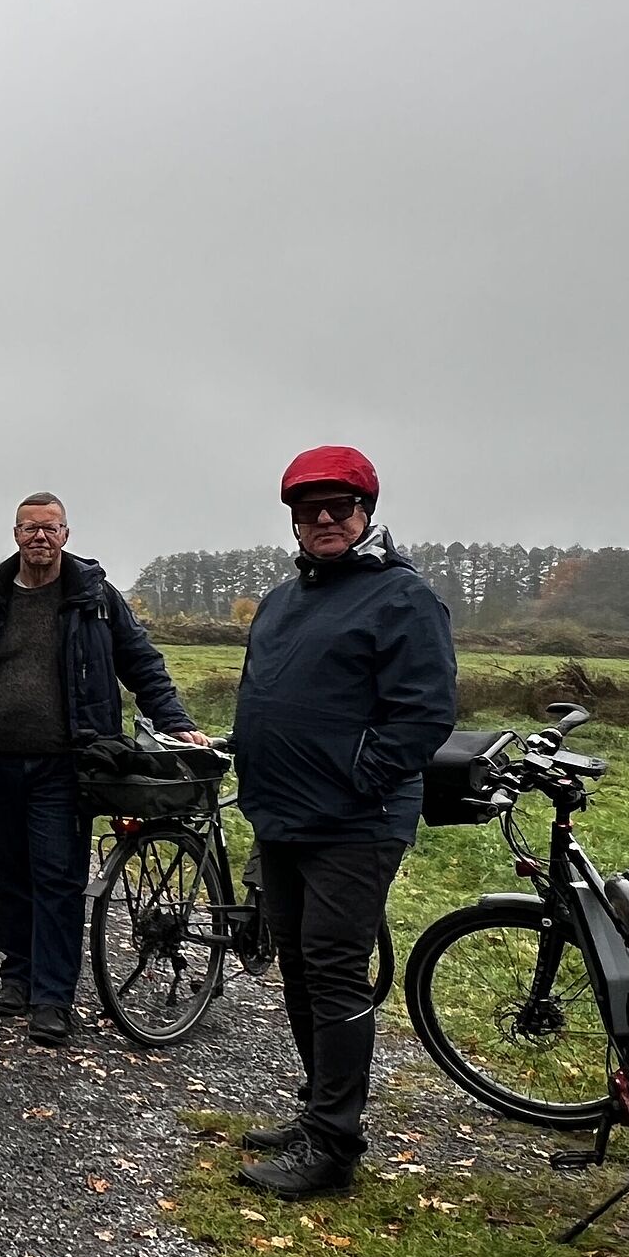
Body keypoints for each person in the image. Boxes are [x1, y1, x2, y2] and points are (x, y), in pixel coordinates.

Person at [230, 445, 456, 1199]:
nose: (324, 519)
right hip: (283, 814)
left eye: (340, 507)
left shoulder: (402, 598)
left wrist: (361, 775)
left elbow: (423, 713)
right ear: (293, 520)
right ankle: (319, 1109)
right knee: (296, 965)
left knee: (331, 972)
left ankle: (333, 1147)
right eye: (308, 509)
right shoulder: (284, 599)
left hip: (356, 821)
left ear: (365, 515)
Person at [0, 493, 207, 1047]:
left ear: (66, 534)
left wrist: (174, 721)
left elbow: (141, 661)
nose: (39, 538)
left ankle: (53, 999)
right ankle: (18, 979)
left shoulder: (94, 598)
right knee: (11, 873)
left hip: (65, 764)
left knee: (57, 877)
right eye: (30, 529)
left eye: (49, 528)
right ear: (15, 535)